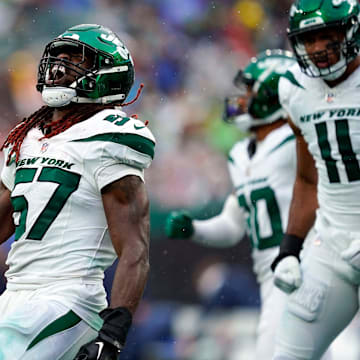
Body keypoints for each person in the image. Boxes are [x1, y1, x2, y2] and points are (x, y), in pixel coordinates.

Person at [0, 24, 155, 360]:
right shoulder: (27, 137)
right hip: (15, 293)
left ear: (107, 74)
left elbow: (134, 248)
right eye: (56, 58)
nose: (58, 68)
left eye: (74, 60)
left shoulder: (110, 136)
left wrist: (113, 333)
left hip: (69, 296)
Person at [165, 50, 298, 359]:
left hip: (306, 266)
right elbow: (232, 224)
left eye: (251, 91)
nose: (243, 99)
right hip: (273, 274)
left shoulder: (299, 142)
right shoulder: (244, 154)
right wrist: (195, 228)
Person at [270, 0, 360, 359]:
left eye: (327, 36)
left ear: (350, 31)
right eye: (309, 39)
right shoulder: (295, 89)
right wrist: (290, 248)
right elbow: (308, 179)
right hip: (331, 246)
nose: (318, 48)